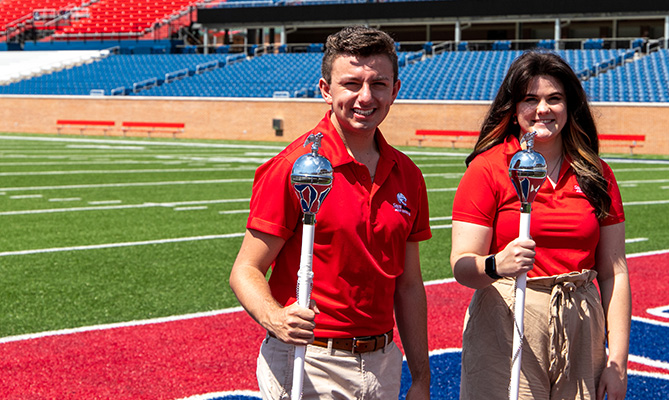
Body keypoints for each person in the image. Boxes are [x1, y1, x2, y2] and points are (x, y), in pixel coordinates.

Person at [229, 26, 431, 400]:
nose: (365, 97)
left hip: (384, 362)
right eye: (351, 84)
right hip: (310, 361)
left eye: (379, 84)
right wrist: (275, 318)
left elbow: (408, 285)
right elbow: (245, 269)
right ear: (326, 90)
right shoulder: (295, 167)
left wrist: (420, 376)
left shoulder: (408, 174)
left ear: (395, 91)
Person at [449, 51, 631, 400]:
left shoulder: (597, 174)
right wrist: (496, 263)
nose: (542, 109)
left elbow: (614, 271)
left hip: (579, 318)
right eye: (530, 99)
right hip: (508, 317)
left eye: (554, 98)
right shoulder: (488, 169)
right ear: (514, 107)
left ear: (569, 106)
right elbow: (461, 264)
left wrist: (617, 361)